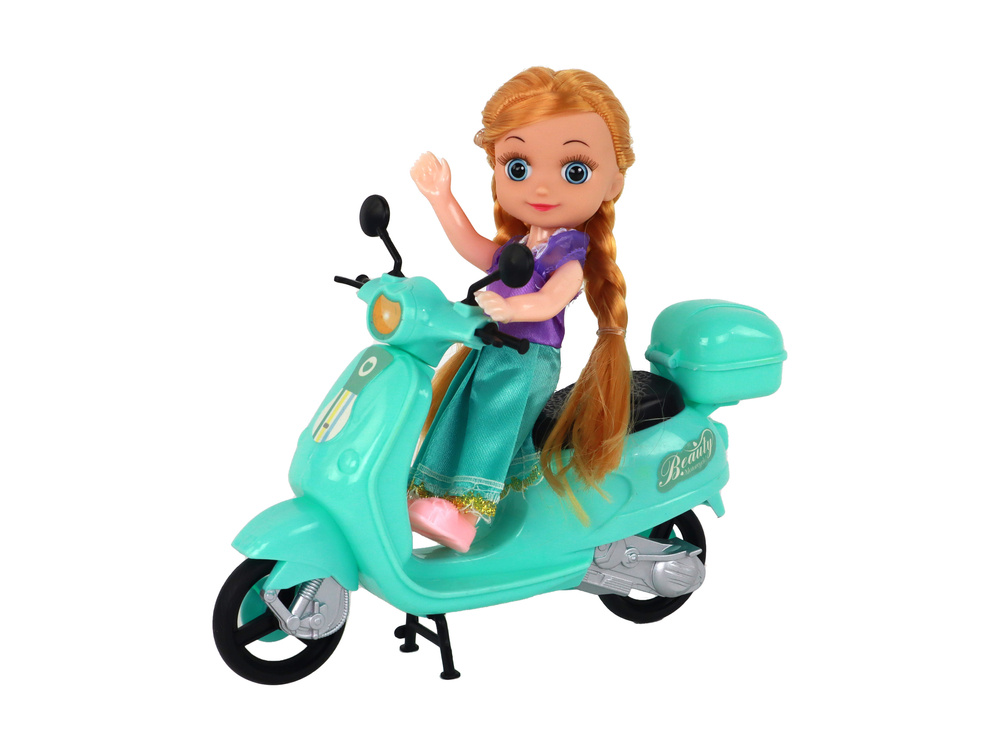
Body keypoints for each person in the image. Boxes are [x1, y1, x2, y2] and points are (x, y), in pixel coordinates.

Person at [407, 67, 635, 552]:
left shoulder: (569, 254)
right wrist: (441, 198)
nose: (542, 189)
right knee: (459, 413)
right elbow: (473, 246)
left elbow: (553, 299)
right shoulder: (517, 246)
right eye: (517, 166)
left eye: (574, 171)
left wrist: (512, 309)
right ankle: (442, 495)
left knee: (492, 422)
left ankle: (465, 514)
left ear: (613, 182)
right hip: (493, 349)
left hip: (527, 359)